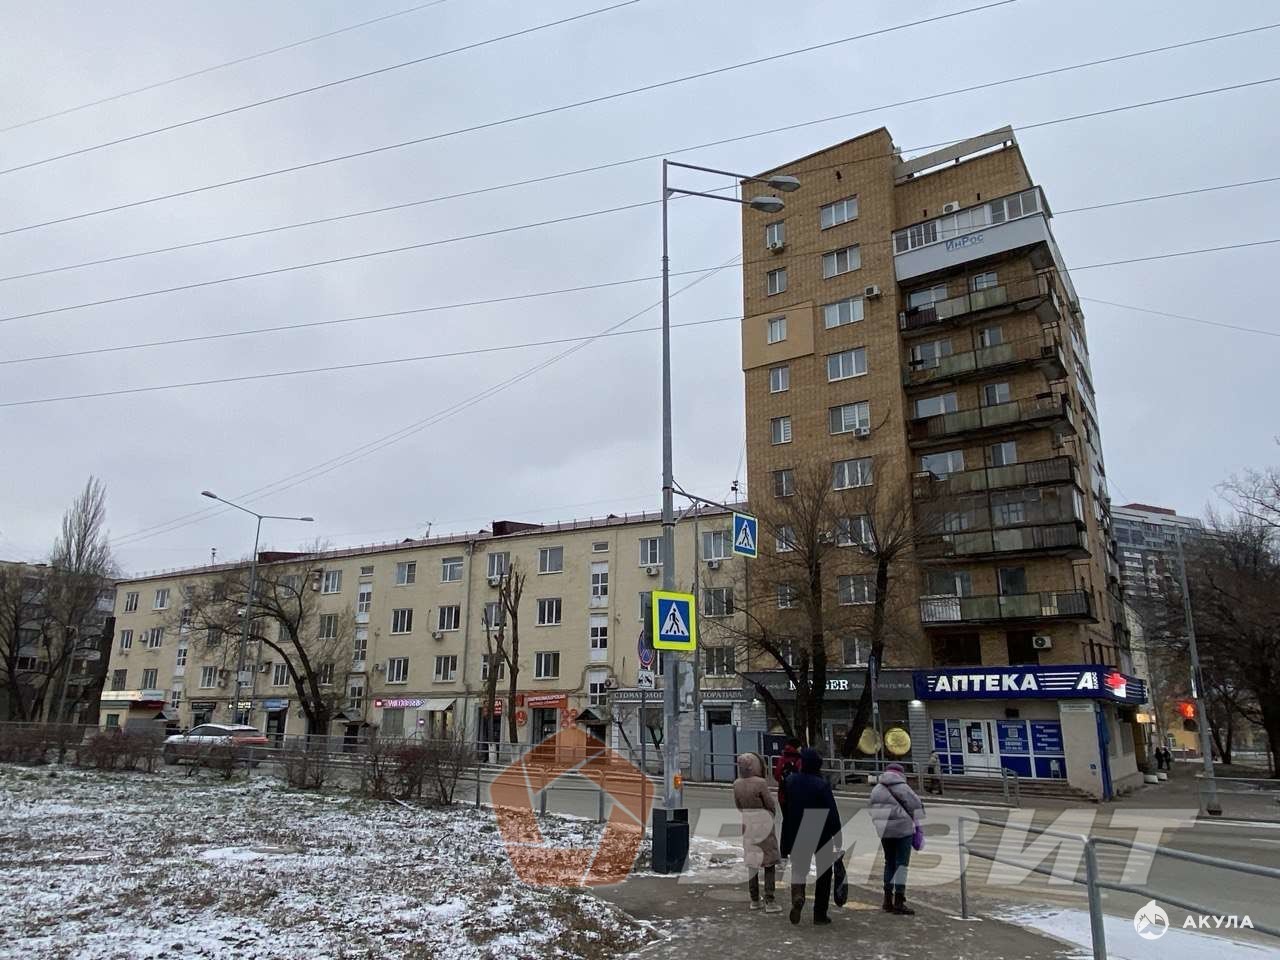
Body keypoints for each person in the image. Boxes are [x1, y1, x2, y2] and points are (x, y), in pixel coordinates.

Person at [780, 748, 842, 926]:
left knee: (799, 869)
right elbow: (832, 812)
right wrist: (837, 834)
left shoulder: (791, 781)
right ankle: (820, 914)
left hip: (798, 829)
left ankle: (798, 896)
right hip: (820, 830)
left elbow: (785, 804)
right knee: (824, 873)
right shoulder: (821, 784)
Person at [868, 761, 925, 916]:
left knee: (889, 862)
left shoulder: (877, 789)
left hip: (885, 832)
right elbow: (916, 806)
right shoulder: (903, 787)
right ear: (900, 774)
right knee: (901, 864)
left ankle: (887, 900)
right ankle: (899, 901)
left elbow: (871, 809)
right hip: (902, 831)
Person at [733, 752, 782, 913]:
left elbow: (738, 805)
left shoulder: (737, 784)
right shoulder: (760, 783)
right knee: (769, 862)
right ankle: (770, 900)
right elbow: (770, 804)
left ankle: (754, 899)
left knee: (752, 862)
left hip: (748, 824)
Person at [773, 738, 803, 813]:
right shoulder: (800, 760)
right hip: (796, 794)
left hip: (783, 794)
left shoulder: (782, 758)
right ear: (797, 747)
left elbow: (776, 775)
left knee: (786, 817)